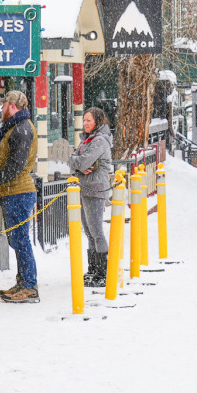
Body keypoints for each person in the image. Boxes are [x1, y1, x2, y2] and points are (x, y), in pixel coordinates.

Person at [0, 90, 40, 303]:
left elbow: (16, 163)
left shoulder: (21, 129)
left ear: (12, 106)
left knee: (21, 240)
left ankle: (29, 286)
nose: (2, 108)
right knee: (17, 240)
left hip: (18, 191)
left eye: (4, 105)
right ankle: (24, 282)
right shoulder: (17, 127)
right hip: (14, 190)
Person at [69, 107, 113, 287]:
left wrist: (77, 162)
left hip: (95, 189)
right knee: (88, 232)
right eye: (84, 120)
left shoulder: (99, 141)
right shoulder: (87, 140)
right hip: (84, 187)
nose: (85, 123)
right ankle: (93, 269)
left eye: (89, 120)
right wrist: (77, 163)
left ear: (98, 122)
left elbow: (82, 161)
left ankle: (103, 272)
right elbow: (72, 160)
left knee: (96, 232)